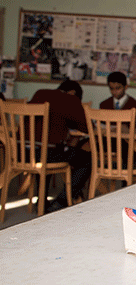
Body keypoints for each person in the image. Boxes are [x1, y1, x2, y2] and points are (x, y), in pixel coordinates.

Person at [29, 80, 91, 212]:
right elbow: (86, 127)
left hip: (23, 152)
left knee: (49, 150)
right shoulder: (70, 99)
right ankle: (62, 201)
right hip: (46, 153)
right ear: (73, 93)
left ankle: (41, 200)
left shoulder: (40, 93)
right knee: (87, 159)